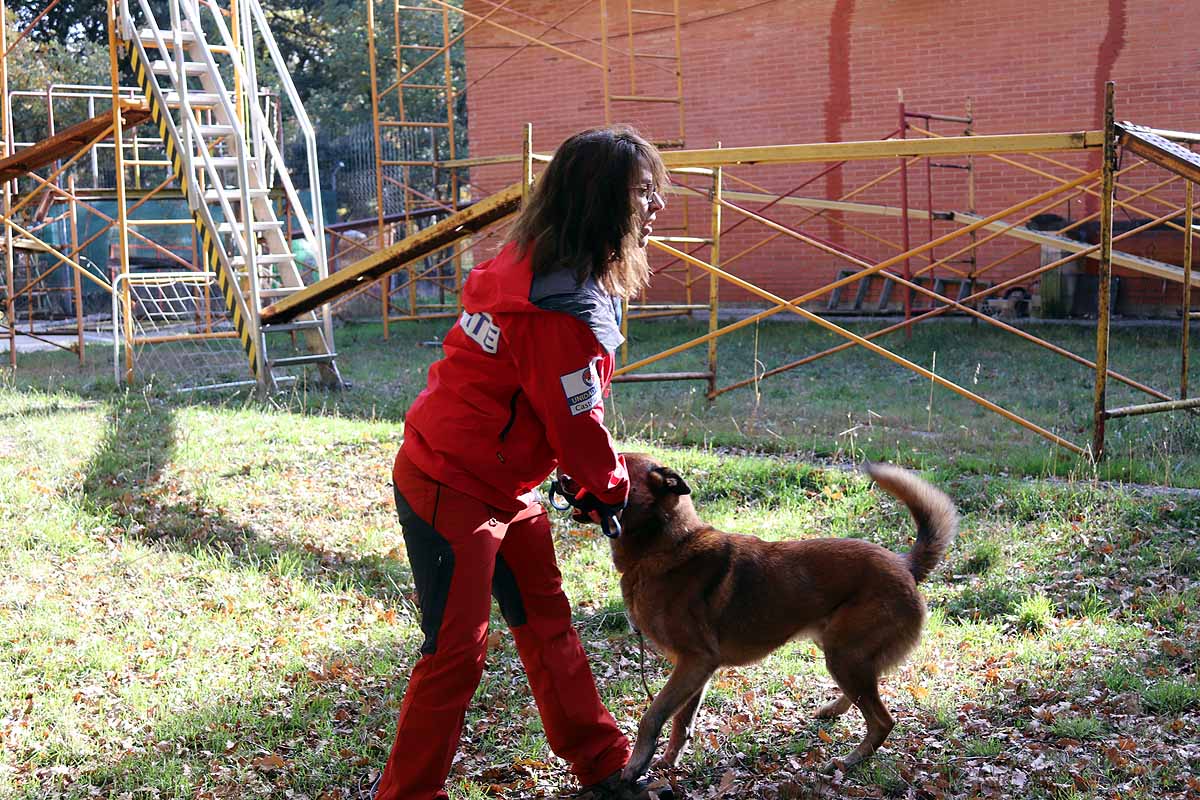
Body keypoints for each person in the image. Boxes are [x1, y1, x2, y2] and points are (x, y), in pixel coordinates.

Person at [373, 125, 668, 800]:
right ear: (600, 204)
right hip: (449, 484)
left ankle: (604, 769)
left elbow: (552, 401)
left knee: (548, 625)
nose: (656, 208)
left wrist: (579, 476)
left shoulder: (555, 270)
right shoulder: (550, 305)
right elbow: (575, 417)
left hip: (505, 485)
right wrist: (608, 488)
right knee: (456, 652)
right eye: (643, 194)